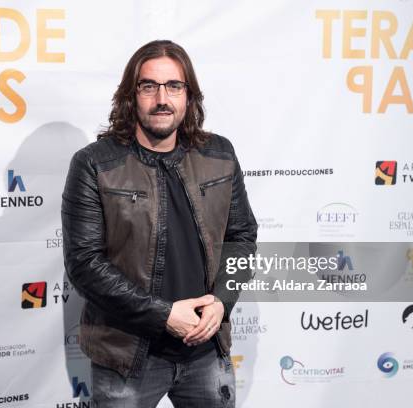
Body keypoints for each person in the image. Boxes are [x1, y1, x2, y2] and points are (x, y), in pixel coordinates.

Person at [61, 39, 257, 407]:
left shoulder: (219, 154)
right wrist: (165, 315)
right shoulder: (94, 164)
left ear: (189, 95)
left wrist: (221, 301)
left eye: (174, 86)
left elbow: (242, 237)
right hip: (127, 354)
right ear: (131, 96)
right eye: (149, 86)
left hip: (205, 348)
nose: (162, 98)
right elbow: (84, 264)